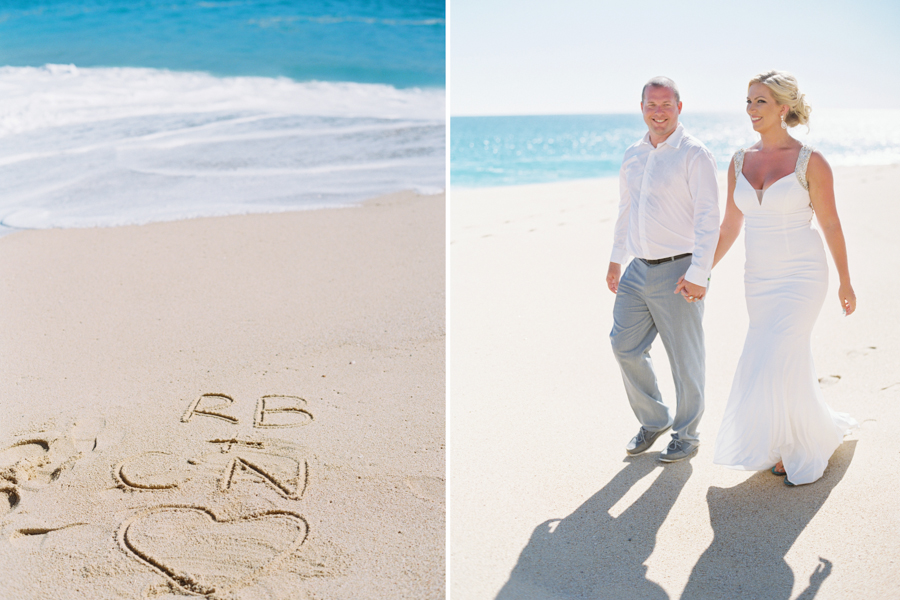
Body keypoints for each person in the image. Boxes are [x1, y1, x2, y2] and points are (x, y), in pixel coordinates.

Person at [711, 70, 857, 486]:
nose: (751, 109)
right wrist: (700, 271)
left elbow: (830, 224)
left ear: (783, 107)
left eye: (760, 101)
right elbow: (728, 227)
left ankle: (803, 446)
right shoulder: (739, 161)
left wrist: (846, 281)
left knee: (779, 353)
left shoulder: (812, 161)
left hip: (802, 276)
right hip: (757, 279)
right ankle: (784, 439)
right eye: (748, 101)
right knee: (773, 357)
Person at [607, 76, 720, 462]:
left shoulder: (694, 153)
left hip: (680, 270)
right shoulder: (634, 154)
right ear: (641, 108)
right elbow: (627, 209)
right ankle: (655, 420)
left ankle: (687, 436)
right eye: (651, 105)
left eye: (665, 105)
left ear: (679, 108)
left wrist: (700, 273)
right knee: (624, 346)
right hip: (637, 270)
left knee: (685, 359)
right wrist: (615, 259)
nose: (658, 112)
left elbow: (709, 219)